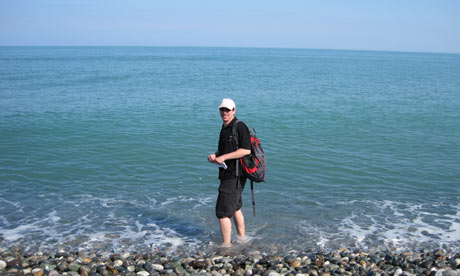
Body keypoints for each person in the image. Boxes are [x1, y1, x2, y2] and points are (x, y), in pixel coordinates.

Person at [207, 98, 251, 247]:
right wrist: (215, 155)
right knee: (236, 206)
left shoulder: (240, 126)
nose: (224, 112)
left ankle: (226, 245)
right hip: (227, 172)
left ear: (234, 110)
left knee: (223, 212)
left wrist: (224, 157)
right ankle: (242, 238)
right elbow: (225, 149)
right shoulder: (225, 127)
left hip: (236, 174)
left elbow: (246, 150)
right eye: (222, 110)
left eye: (228, 110)